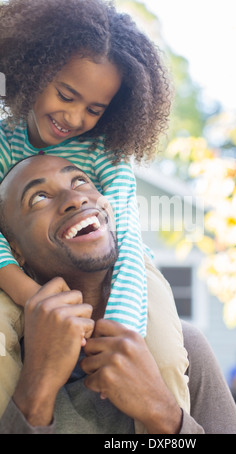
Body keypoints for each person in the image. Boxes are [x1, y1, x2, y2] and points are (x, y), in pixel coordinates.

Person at [0, 155, 236, 434]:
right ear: (14, 251)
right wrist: (37, 386)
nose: (75, 199)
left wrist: (163, 413)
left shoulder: (183, 349)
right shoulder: (6, 362)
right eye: (38, 197)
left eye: (80, 181)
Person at [0, 0, 172, 337]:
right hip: (26, 273)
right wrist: (28, 294)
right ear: (31, 71)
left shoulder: (104, 151)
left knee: (163, 357)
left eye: (94, 109)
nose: (75, 118)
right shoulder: (4, 143)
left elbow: (126, 236)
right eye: (65, 96)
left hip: (125, 276)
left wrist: (120, 331)